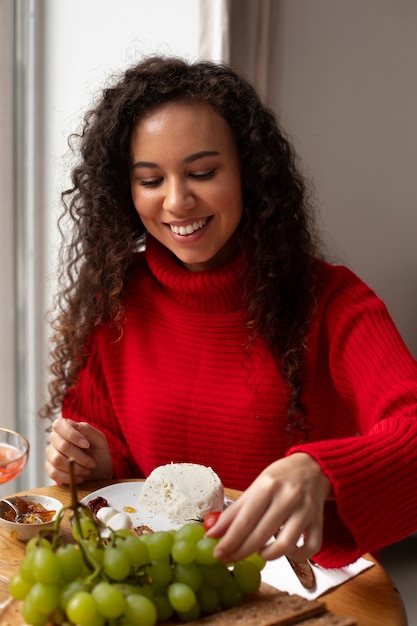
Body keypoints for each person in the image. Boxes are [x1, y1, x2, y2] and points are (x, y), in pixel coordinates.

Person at [43, 55, 417, 569]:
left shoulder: (332, 301)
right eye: (151, 180)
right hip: (164, 584)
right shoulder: (113, 298)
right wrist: (97, 458)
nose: (177, 201)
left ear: (250, 173)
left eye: (202, 172)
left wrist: (321, 470)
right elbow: (117, 499)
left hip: (300, 588)